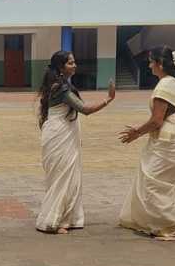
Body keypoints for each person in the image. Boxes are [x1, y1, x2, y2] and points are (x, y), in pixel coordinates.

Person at [118, 46, 175, 241]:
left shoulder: (166, 85)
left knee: (153, 182)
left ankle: (171, 226)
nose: (149, 65)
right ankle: (160, 221)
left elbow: (156, 120)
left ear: (160, 64)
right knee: (169, 183)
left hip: (173, 138)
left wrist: (136, 132)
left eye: (151, 62)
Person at [35, 50, 115, 234]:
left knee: (66, 176)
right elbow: (84, 109)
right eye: (70, 63)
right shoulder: (61, 88)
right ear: (61, 67)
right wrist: (108, 99)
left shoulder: (58, 85)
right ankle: (52, 221)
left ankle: (67, 218)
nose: (75, 65)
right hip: (59, 135)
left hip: (59, 133)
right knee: (61, 177)